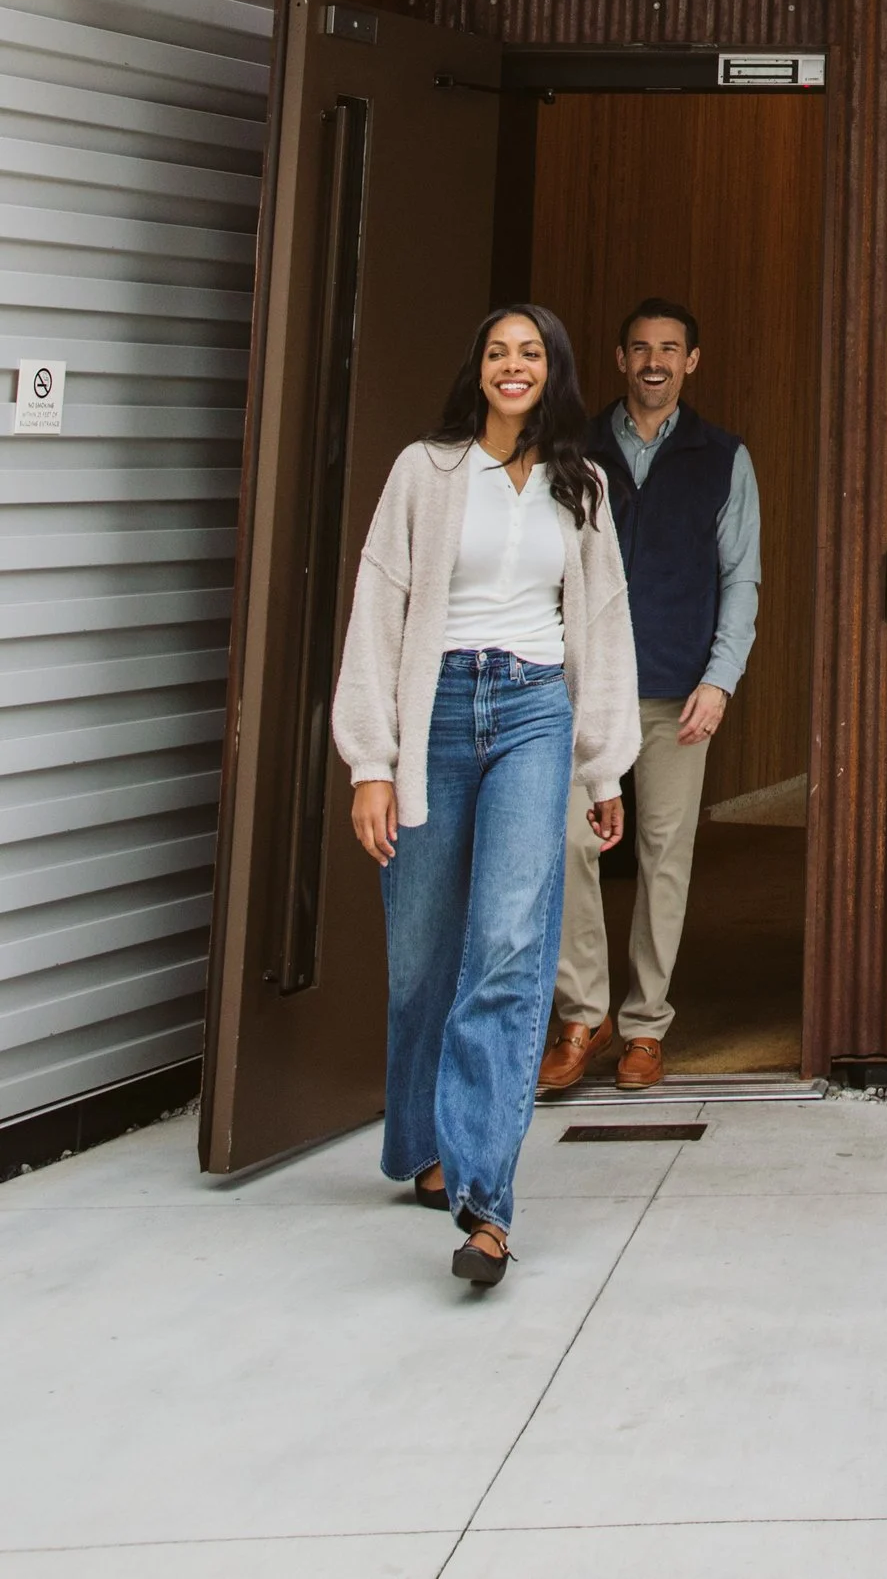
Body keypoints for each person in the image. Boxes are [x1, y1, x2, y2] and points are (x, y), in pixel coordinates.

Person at [332, 303, 641, 1290]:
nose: (516, 366)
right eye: (500, 352)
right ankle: (424, 1142)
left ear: (556, 371)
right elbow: (380, 607)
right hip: (432, 716)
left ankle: (485, 1204)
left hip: (532, 712)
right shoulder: (425, 473)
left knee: (509, 944)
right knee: (423, 957)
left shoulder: (580, 484)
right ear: (479, 370)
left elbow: (601, 623)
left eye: (534, 353)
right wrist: (370, 762)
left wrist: (602, 766)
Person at [540, 295, 761, 1096]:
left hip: (678, 694)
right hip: (579, 691)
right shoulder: (572, 448)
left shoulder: (723, 456)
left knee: (665, 858)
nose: (655, 361)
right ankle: (582, 1015)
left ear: (691, 361)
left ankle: (643, 1026)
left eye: (671, 348)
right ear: (620, 359)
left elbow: (742, 578)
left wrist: (720, 680)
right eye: (641, 348)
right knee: (570, 844)